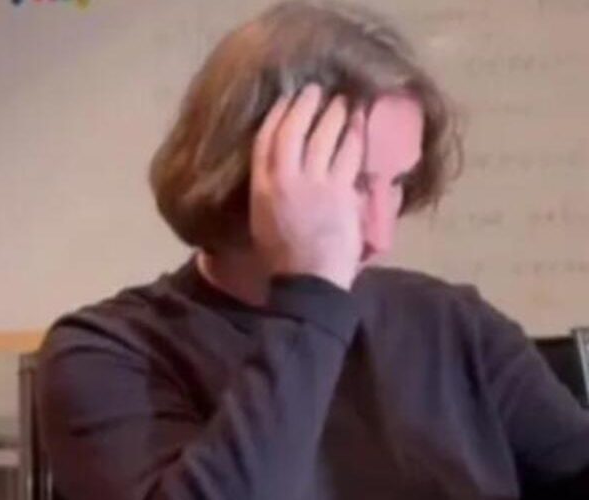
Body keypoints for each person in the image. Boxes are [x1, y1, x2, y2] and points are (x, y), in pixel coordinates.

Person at [37, 3, 589, 499]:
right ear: (249, 170)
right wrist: (313, 294)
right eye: (353, 182)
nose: (379, 234)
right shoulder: (108, 352)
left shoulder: (453, 324)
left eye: (396, 183)